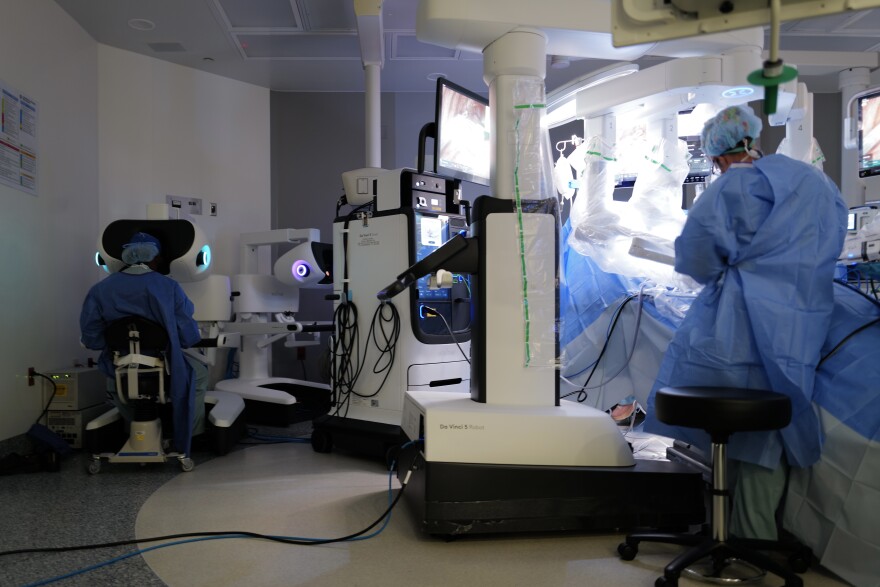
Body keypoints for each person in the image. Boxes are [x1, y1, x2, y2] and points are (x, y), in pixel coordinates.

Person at [644, 105, 848, 540]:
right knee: (770, 432)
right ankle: (755, 540)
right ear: (752, 140)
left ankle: (730, 538)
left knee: (736, 430)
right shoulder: (815, 182)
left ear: (717, 157)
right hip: (801, 325)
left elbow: (696, 257)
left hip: (737, 329)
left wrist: (731, 270)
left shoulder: (732, 186)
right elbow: (831, 243)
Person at [80, 232, 207, 456]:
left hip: (121, 366)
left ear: (126, 256)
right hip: (164, 364)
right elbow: (188, 335)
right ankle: (191, 437)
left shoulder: (100, 289)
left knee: (114, 384)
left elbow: (92, 337)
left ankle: (136, 432)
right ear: (156, 258)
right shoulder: (169, 287)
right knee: (199, 374)